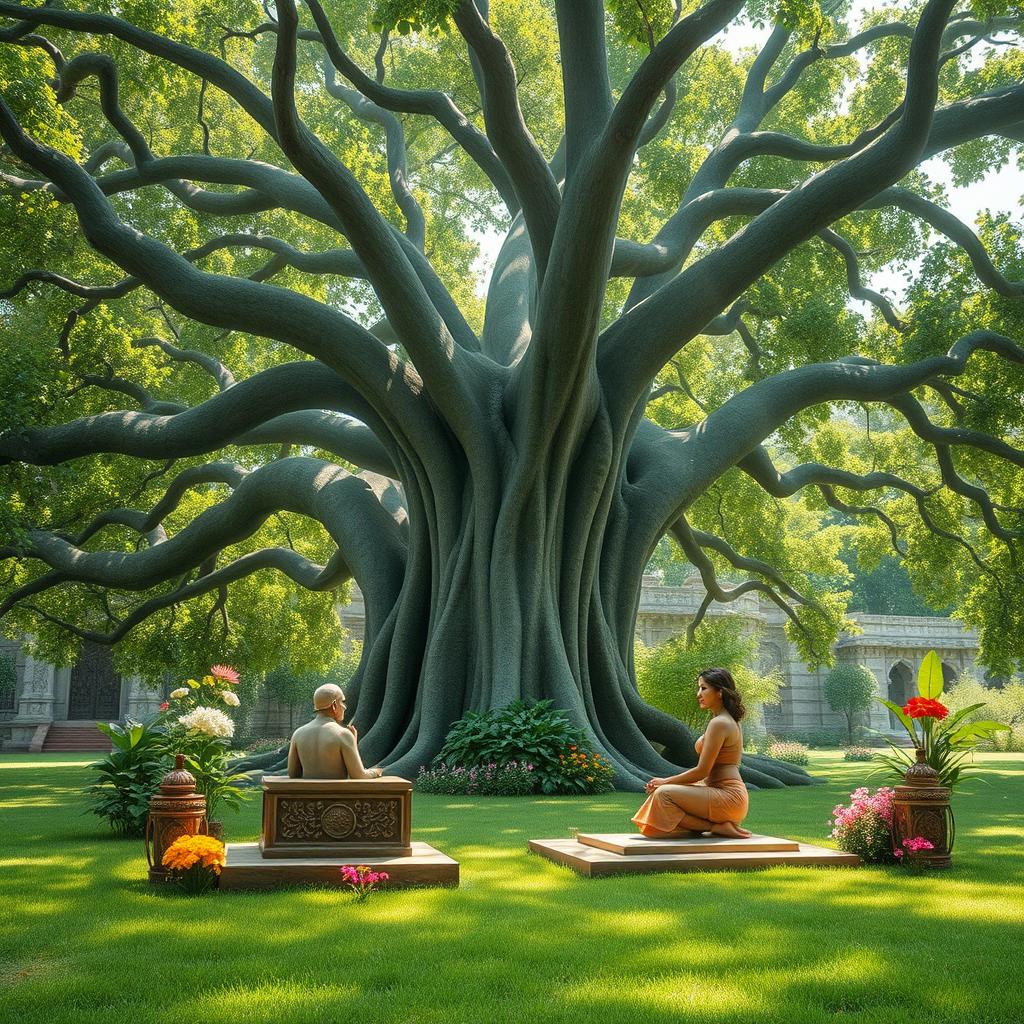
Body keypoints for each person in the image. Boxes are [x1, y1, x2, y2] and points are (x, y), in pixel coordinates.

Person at [631, 667, 752, 839]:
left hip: (728, 796)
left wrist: (664, 782)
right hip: (718, 792)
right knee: (663, 797)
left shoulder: (720, 723)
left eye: (703, 688)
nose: (698, 694)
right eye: (699, 688)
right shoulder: (726, 720)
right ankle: (719, 827)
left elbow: (702, 771)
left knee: (663, 794)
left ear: (719, 692)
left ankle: (715, 827)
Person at [287, 682, 386, 780]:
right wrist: (376, 772)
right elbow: (359, 775)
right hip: (336, 795)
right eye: (342, 701)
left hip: (307, 795)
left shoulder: (298, 734)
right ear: (334, 705)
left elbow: (293, 773)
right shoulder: (343, 734)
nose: (345, 707)